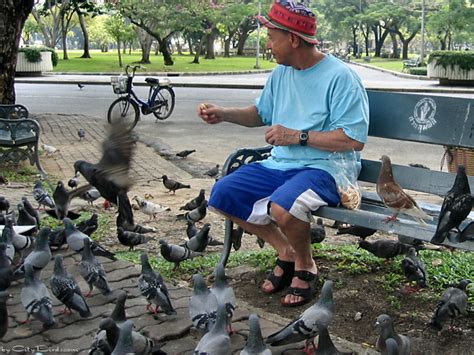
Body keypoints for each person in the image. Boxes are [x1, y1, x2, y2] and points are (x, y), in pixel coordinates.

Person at [197, 0, 369, 307]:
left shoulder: (341, 77)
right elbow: (260, 113)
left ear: (292, 39)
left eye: (272, 37)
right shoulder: (281, 74)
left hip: (325, 169)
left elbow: (353, 140)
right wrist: (224, 113)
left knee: (284, 208)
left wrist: (296, 136)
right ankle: (285, 250)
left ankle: (305, 264)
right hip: (280, 164)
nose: (268, 45)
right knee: (222, 194)